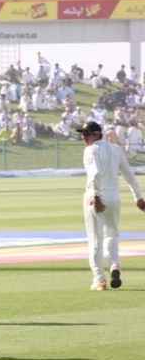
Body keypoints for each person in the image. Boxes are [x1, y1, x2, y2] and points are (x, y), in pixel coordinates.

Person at [76, 121, 145, 290]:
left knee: (95, 240)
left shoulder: (90, 150)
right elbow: (129, 173)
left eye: (87, 134)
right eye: (83, 134)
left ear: (97, 134)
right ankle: (114, 265)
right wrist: (138, 197)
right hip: (114, 196)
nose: (84, 137)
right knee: (112, 236)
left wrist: (96, 195)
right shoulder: (115, 149)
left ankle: (100, 279)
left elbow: (95, 173)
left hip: (96, 195)